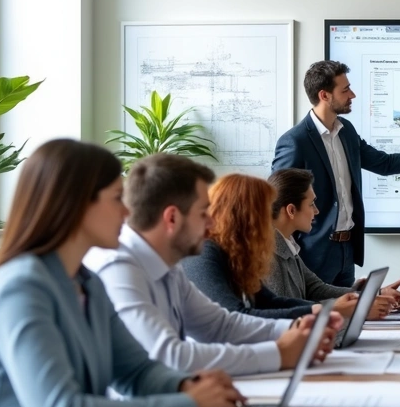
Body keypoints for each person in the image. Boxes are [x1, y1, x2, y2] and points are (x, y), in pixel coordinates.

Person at [0, 141, 246, 407]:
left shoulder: (86, 281)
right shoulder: (21, 290)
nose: (127, 211)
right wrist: (191, 405)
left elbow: (136, 372)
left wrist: (189, 385)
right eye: (117, 197)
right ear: (76, 205)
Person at [86, 153, 341, 377]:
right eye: (203, 212)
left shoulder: (168, 266)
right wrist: (278, 353)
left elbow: (221, 325)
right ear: (172, 218)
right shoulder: (119, 268)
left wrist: (294, 327)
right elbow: (169, 355)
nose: (212, 222)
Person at [272, 60, 400, 286]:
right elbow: (278, 203)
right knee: (318, 318)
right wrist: (294, 252)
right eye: (345, 89)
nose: (353, 95)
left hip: (346, 251)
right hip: (313, 254)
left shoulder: (346, 132)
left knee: (348, 317)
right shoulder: (295, 141)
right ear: (324, 95)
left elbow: (385, 164)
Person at [181, 174, 346, 320]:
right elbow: (235, 315)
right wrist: (323, 311)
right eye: (263, 213)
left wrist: (318, 309)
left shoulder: (234, 252)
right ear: (241, 216)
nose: (269, 220)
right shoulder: (203, 252)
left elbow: (267, 302)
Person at [266, 167, 400, 321]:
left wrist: (373, 295)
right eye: (311, 204)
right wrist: (346, 309)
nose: (316, 211)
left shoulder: (286, 244)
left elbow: (315, 288)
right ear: (291, 210)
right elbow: (281, 312)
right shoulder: (266, 253)